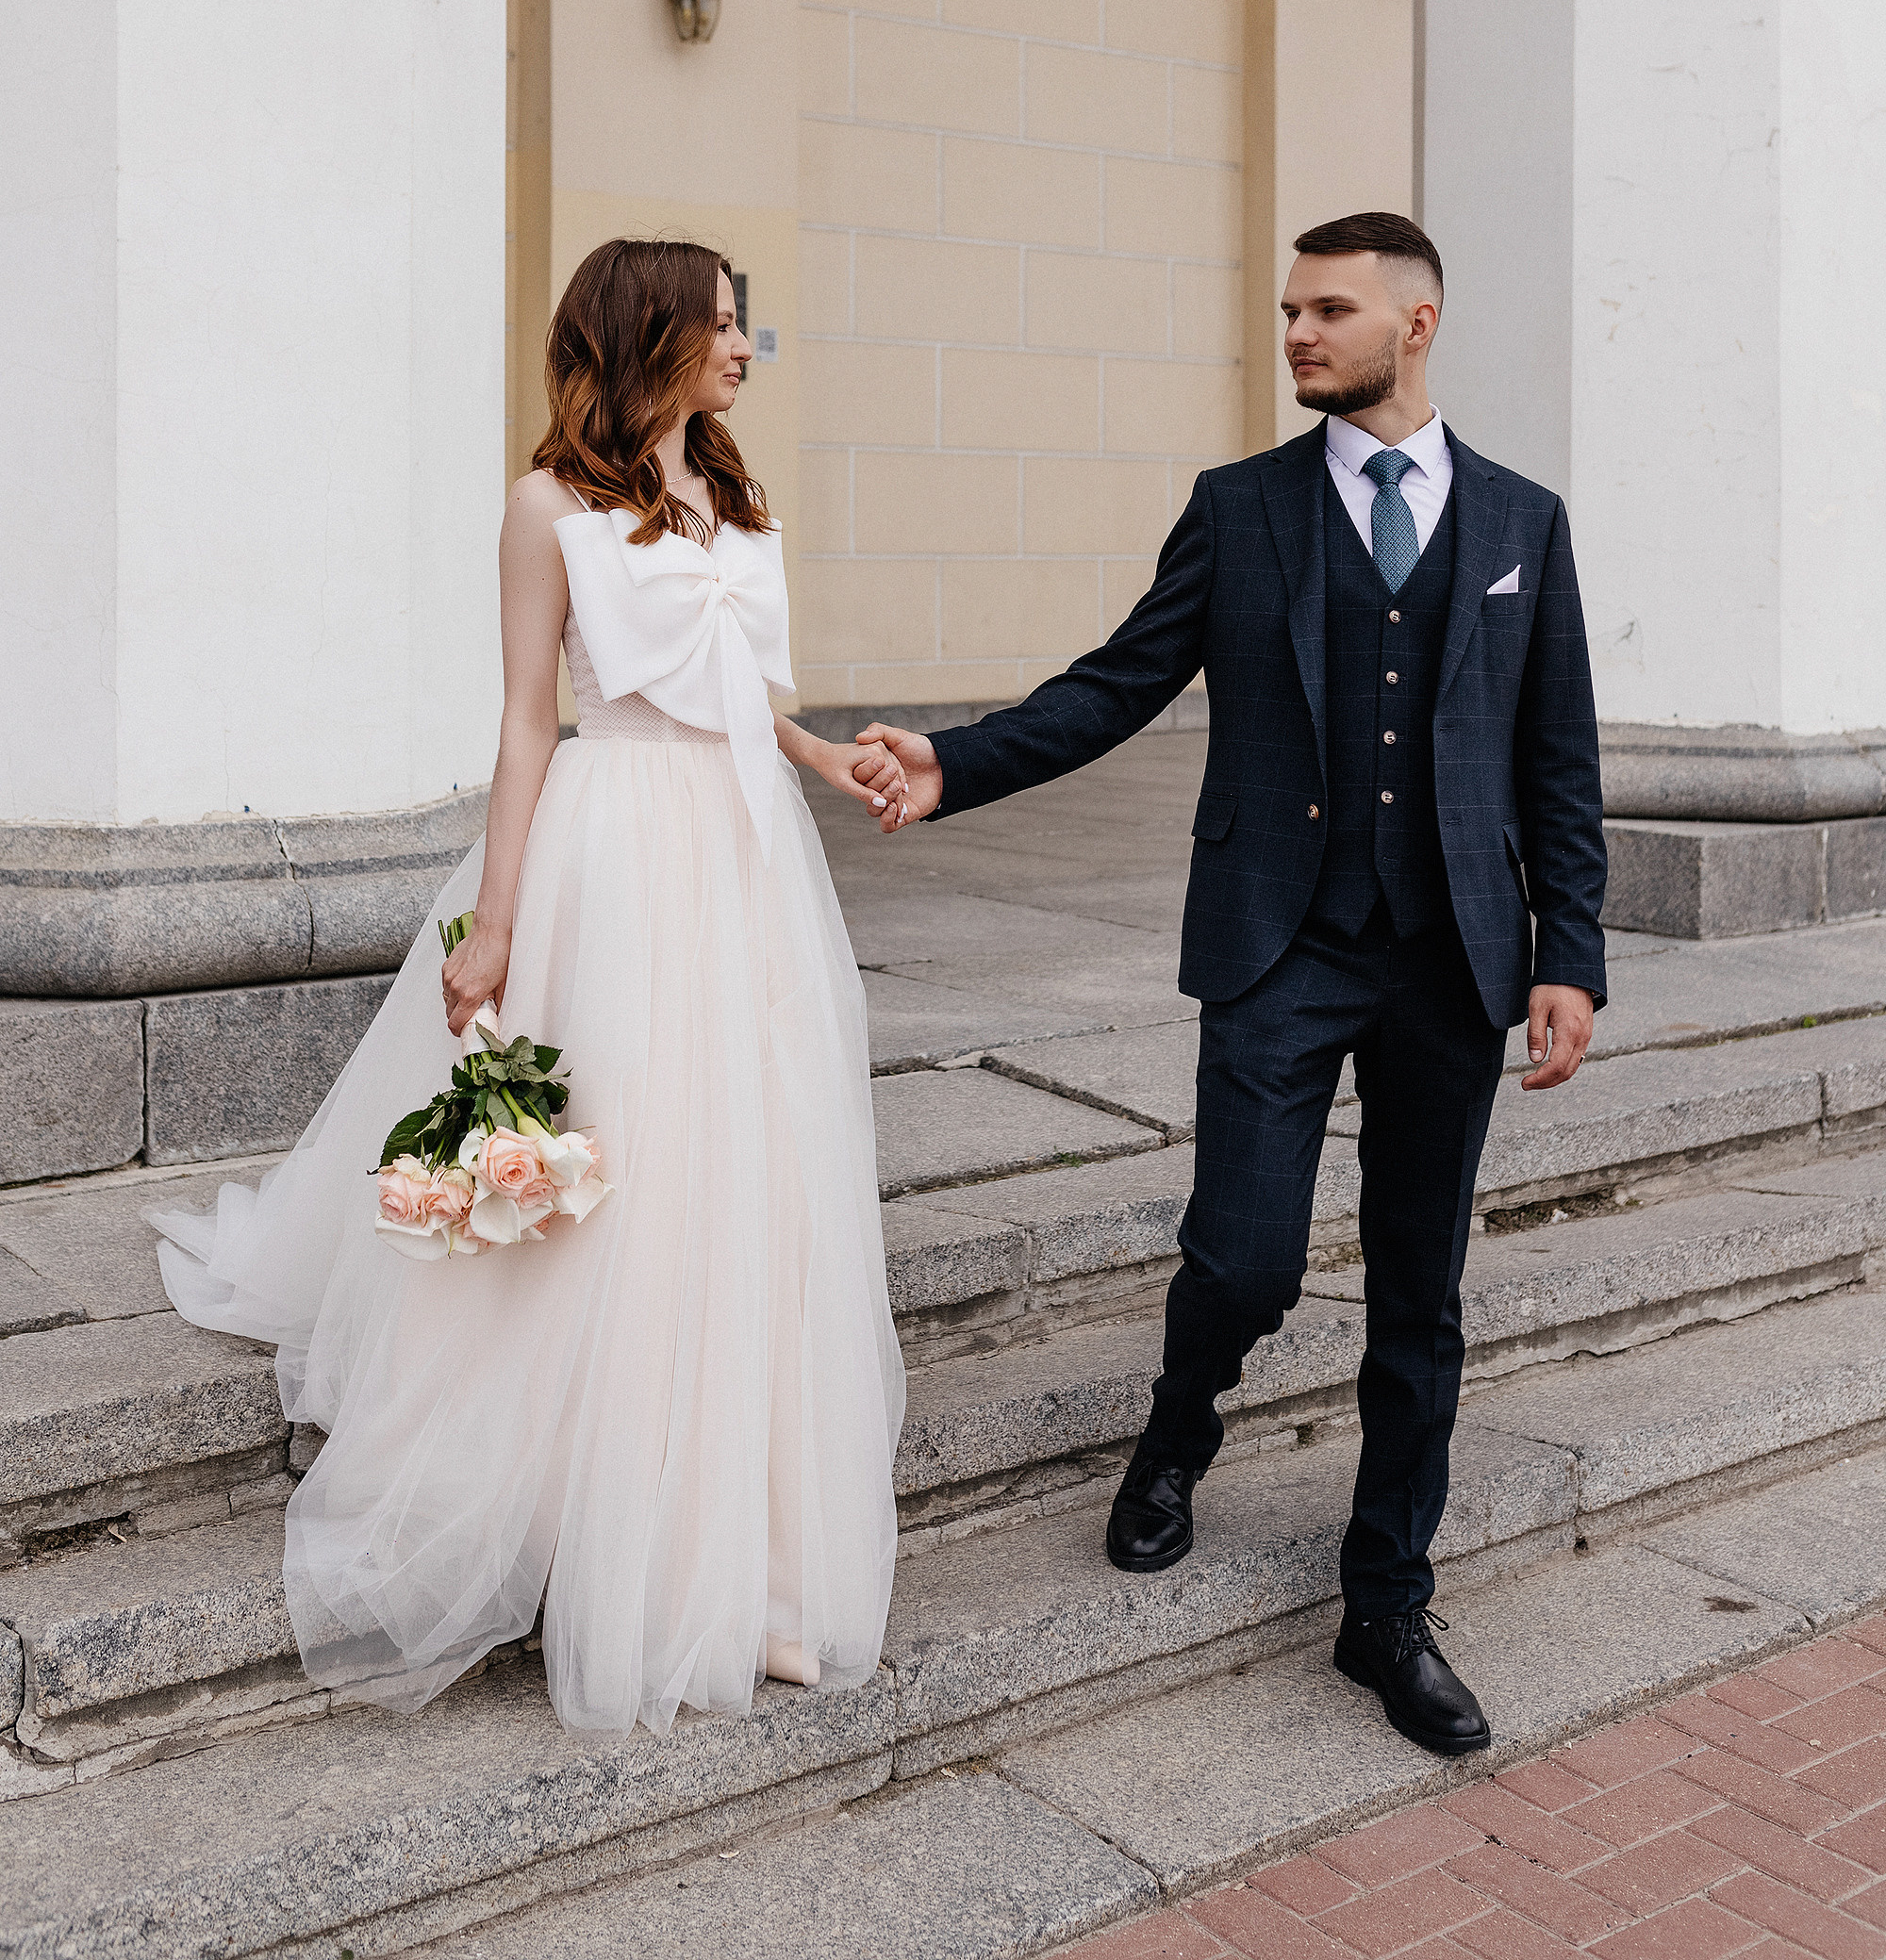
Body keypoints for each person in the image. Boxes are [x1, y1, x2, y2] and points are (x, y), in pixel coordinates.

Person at [860, 211, 1606, 1757]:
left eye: (1327, 311)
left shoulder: (1526, 521)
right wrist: (954, 765)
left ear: (1417, 326)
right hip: (1281, 944)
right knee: (1250, 1259)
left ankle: (1385, 1601)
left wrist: (1570, 958)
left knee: (1421, 1294)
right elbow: (1118, 682)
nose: (1296, 336)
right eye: (1287, 311)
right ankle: (1176, 1432)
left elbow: (1557, 763)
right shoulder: (1243, 509)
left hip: (1457, 961)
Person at [153, 238, 910, 1735]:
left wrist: (830, 757)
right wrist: (491, 928)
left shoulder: (735, 495)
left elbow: (745, 697)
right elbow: (525, 724)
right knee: (623, 1175)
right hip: (619, 857)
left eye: (746, 325)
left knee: (747, 1179)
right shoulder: (545, 509)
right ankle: (598, 1521)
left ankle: (746, 1561)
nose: (748, 348)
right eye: (723, 324)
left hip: (751, 860)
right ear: (649, 337)